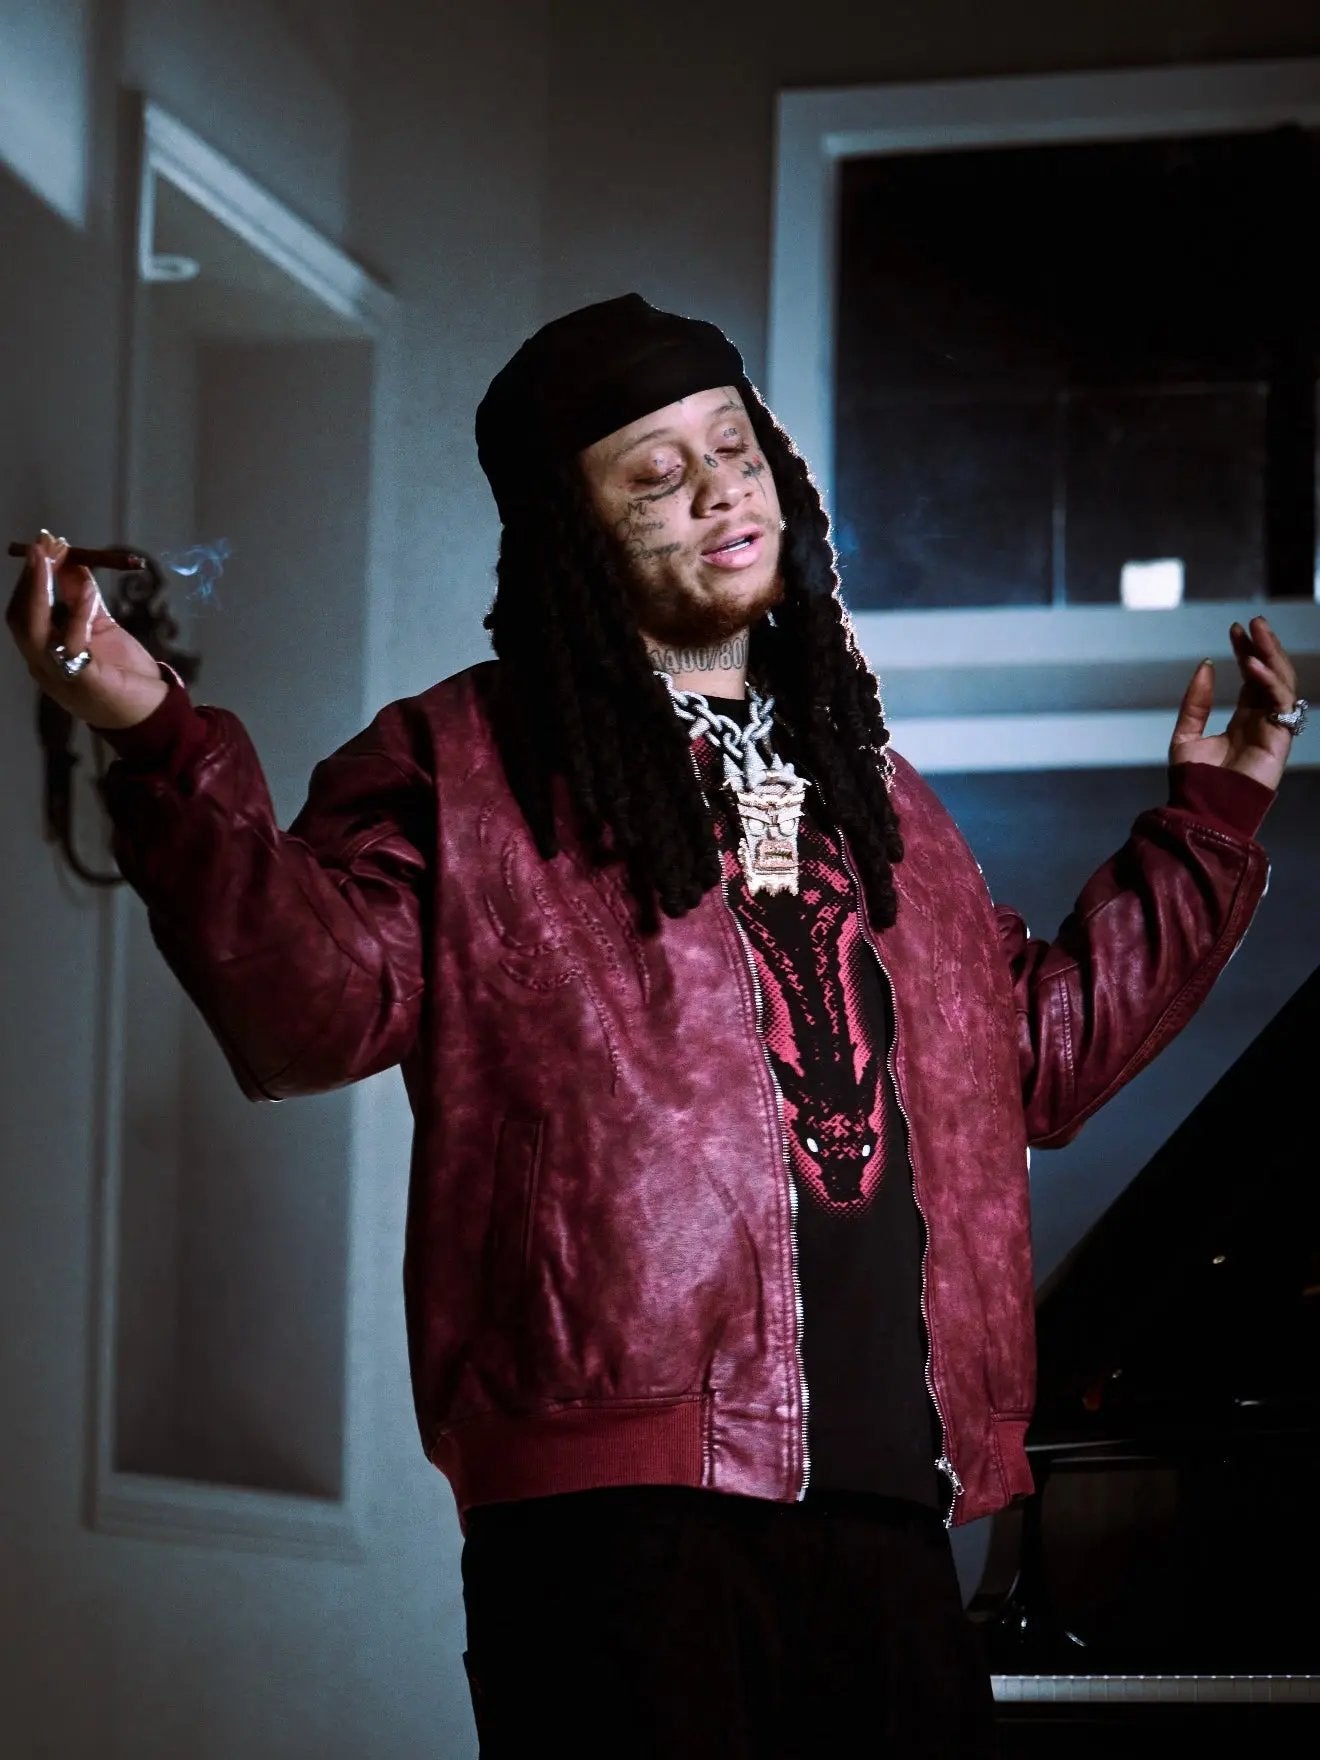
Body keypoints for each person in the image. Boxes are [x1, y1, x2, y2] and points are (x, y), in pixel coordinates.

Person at [7, 295, 1305, 1758]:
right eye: (657, 476)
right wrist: (160, 743)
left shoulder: (873, 795)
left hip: (893, 1504)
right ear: (575, 535)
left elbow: (1040, 1061)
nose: (721, 494)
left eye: (734, 449)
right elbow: (310, 1012)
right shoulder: (461, 765)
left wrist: (1214, 825)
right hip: (613, 1519)